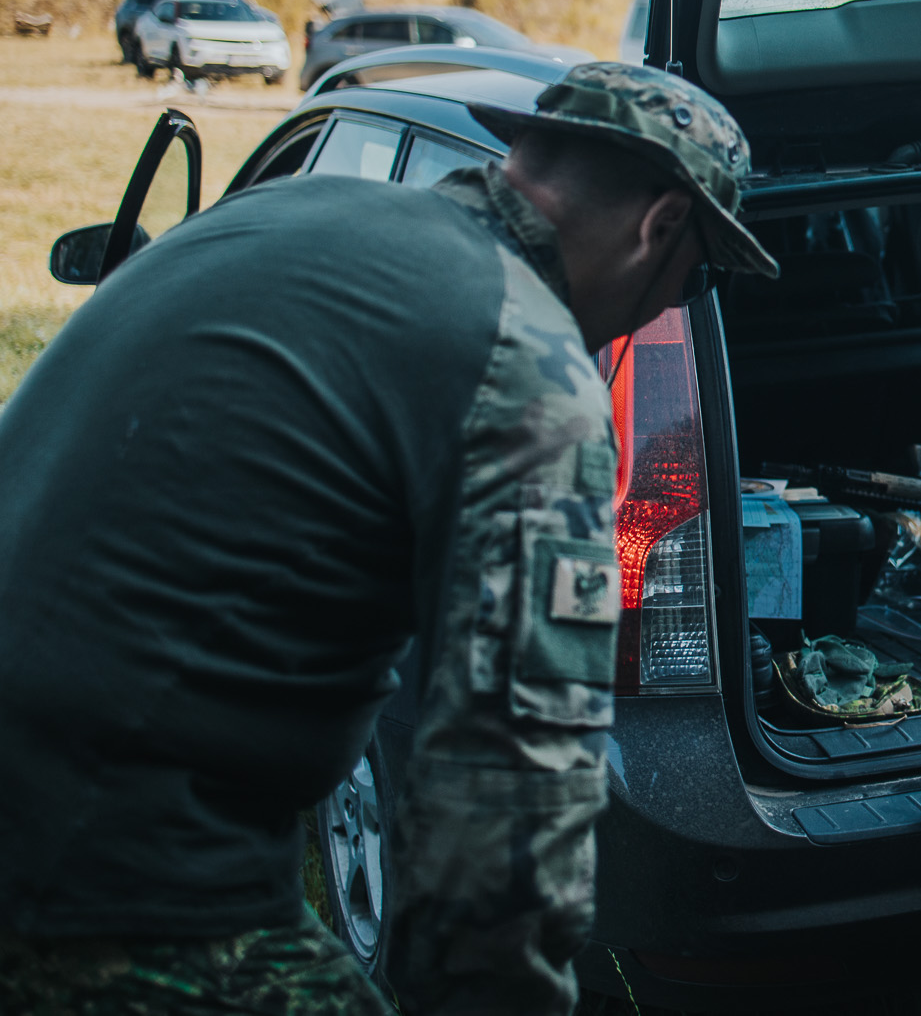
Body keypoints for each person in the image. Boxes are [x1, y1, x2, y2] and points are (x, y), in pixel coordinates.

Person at [0, 62, 778, 1015]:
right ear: (659, 229)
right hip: (106, 869)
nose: (671, 302)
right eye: (695, 275)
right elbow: (508, 806)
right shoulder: (523, 362)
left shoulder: (288, 215)